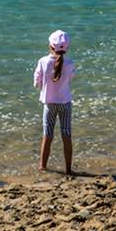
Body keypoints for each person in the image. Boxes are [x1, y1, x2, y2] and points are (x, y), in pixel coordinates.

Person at [33, 30, 76, 175]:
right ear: (67, 47)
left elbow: (37, 82)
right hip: (65, 103)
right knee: (66, 135)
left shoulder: (43, 61)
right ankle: (68, 170)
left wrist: (42, 84)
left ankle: (42, 167)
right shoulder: (70, 63)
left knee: (48, 135)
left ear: (50, 46)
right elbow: (70, 78)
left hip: (49, 103)